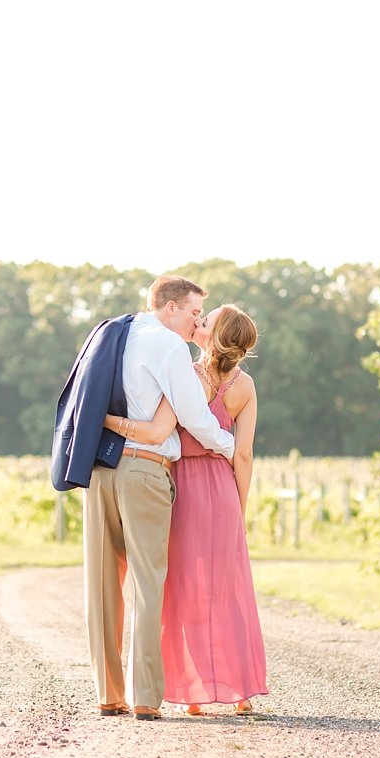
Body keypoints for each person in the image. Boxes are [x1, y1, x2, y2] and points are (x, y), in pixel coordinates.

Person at [68, 275, 236, 722]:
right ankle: (145, 697)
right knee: (147, 583)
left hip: (100, 468)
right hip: (145, 469)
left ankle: (108, 694)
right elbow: (195, 415)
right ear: (171, 308)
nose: (197, 322)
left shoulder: (114, 334)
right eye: (195, 313)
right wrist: (229, 446)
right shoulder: (168, 345)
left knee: (102, 584)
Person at [105, 303, 268, 716]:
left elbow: (162, 430)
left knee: (181, 589)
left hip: (183, 487)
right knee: (228, 590)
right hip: (224, 488)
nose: (198, 322)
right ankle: (241, 692)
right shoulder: (245, 386)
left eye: (205, 320)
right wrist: (240, 506)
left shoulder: (184, 375)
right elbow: (244, 455)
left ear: (212, 335)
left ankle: (193, 695)